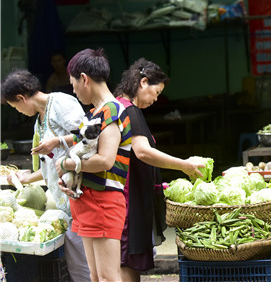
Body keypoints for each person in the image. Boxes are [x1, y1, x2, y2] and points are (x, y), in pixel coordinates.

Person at [33, 48, 131, 282]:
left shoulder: (112, 110)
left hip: (104, 201)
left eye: (73, 84)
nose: (73, 90)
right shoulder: (93, 114)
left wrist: (65, 163)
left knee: (107, 277)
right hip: (87, 200)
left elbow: (105, 160)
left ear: (84, 79)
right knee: (95, 277)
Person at [113, 58, 204, 282]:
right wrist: (184, 165)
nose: (156, 99)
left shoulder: (116, 106)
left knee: (128, 257)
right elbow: (142, 152)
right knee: (125, 258)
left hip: (127, 194)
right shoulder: (130, 111)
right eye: (156, 91)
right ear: (143, 82)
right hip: (128, 197)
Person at [1, 69, 91, 282]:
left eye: (15, 107)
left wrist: (58, 141)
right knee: (78, 267)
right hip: (66, 205)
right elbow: (51, 165)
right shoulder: (39, 122)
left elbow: (88, 137)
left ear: (21, 98)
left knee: (87, 267)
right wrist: (25, 179)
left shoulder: (62, 103)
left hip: (82, 195)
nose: (19, 112)